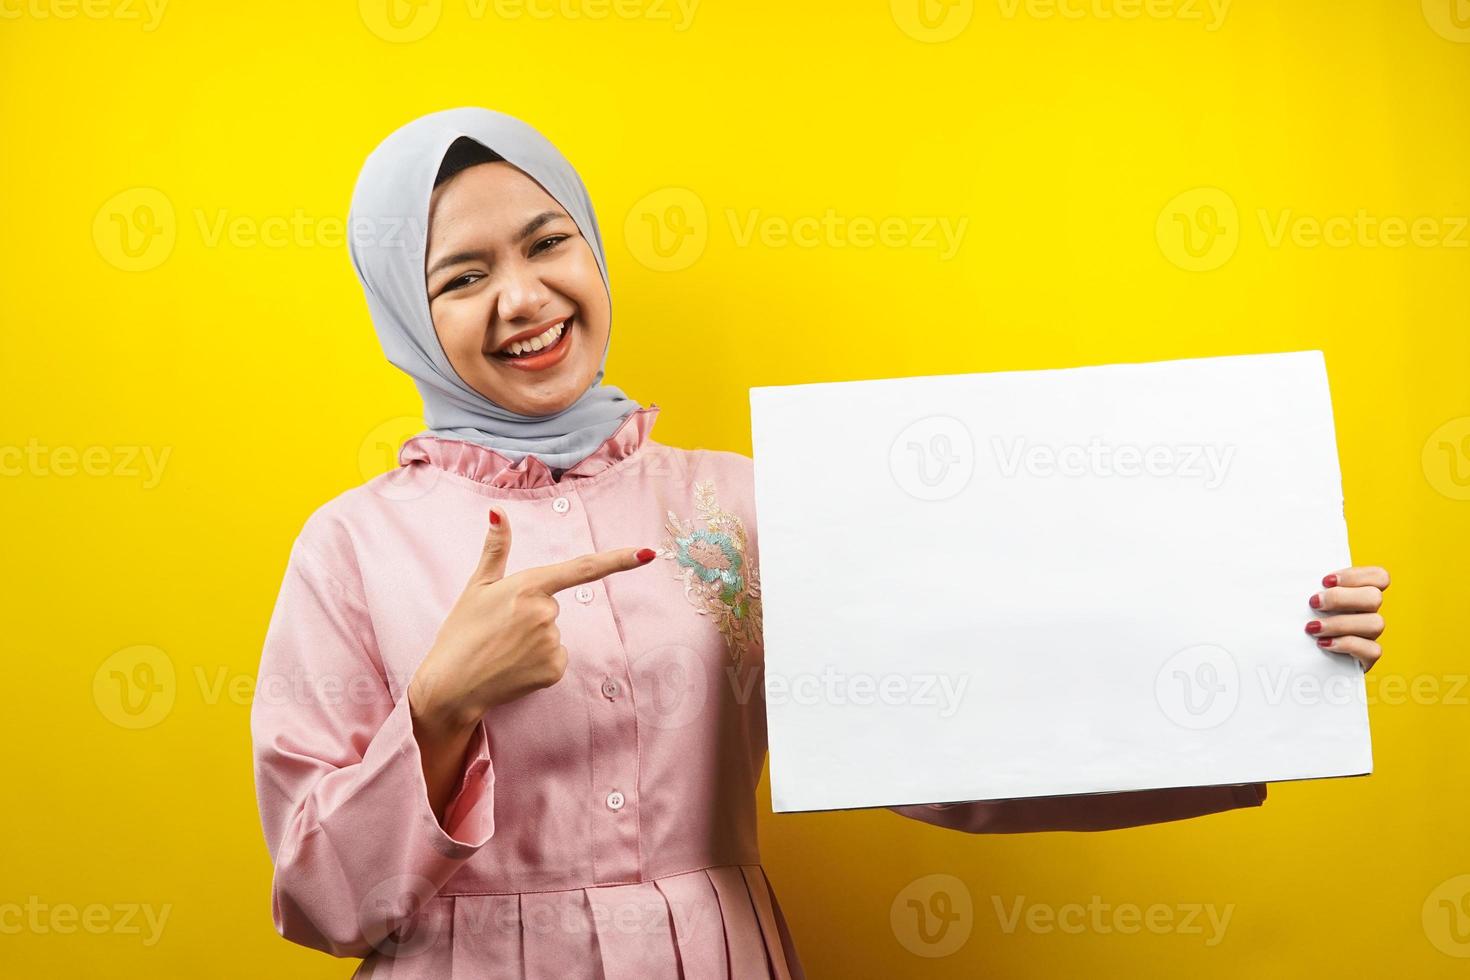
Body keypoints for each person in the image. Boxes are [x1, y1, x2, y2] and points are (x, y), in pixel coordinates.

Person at [249, 107, 1392, 978]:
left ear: (593, 248)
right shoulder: (350, 546)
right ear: (406, 308)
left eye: (549, 241)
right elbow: (320, 899)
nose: (524, 295)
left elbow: (950, 741)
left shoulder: (746, 503)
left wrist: (1262, 668)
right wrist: (441, 705)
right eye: (463, 275)